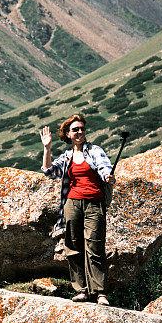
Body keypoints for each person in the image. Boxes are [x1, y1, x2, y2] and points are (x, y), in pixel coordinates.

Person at [40, 114, 115, 305]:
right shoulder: (66, 156)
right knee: (73, 247)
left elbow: (104, 166)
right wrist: (47, 148)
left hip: (94, 203)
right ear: (68, 134)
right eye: (75, 129)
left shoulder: (94, 150)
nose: (79, 132)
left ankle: (99, 293)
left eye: (82, 128)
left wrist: (107, 176)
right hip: (72, 203)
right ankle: (81, 290)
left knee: (95, 246)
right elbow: (49, 171)